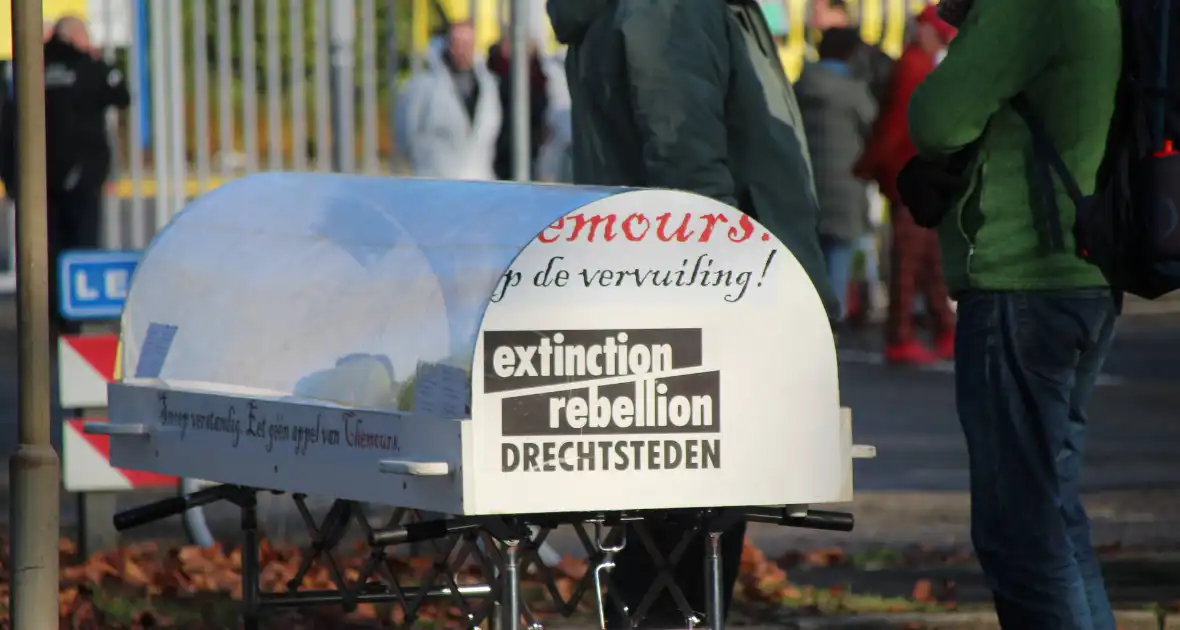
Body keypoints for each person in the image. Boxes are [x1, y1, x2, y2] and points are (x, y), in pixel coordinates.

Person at [546, 0, 837, 626]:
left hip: (669, 296)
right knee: (686, 536)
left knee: (668, 533)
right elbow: (687, 176)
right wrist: (735, 295)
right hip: (701, 305)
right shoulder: (670, 8)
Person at [905, 0, 1122, 627]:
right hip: (1080, 273)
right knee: (1054, 515)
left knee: (1019, 529)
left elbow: (937, 119)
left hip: (1021, 278)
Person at [0, 16, 129, 335]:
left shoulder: (29, 70)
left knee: (45, 248)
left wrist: (11, 178)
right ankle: (76, 321)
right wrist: (97, 58)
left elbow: (8, 124)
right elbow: (121, 95)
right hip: (81, 176)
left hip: (37, 178)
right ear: (76, 38)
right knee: (81, 245)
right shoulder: (86, 65)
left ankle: (46, 318)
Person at [854, 5, 956, 364]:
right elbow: (897, 126)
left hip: (916, 178)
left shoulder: (918, 64)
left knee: (925, 260)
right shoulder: (916, 66)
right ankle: (904, 334)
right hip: (913, 178)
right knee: (912, 262)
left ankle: (940, 327)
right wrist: (869, 166)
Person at [795, 27, 877, 319]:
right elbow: (873, 126)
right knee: (839, 255)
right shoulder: (853, 92)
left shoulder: (800, 87)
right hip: (846, 183)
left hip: (807, 183)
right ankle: (834, 319)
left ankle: (808, 317)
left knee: (809, 256)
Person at [394, 21, 501, 180]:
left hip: (478, 185)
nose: (462, 50)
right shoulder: (423, 86)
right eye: (457, 43)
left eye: (468, 44)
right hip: (435, 182)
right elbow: (405, 133)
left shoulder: (488, 85)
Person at [486, 36, 549, 180]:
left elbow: (540, 111)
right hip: (500, 149)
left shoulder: (536, 77)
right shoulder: (494, 74)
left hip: (528, 148)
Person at [811, 0, 894, 108]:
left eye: (820, 7)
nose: (815, 13)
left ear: (839, 12)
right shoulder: (823, 45)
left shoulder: (866, 58)